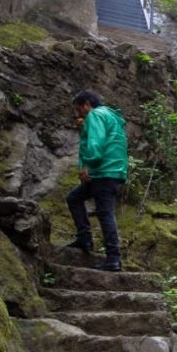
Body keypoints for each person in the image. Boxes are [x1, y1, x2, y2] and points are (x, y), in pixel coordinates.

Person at [65, 91, 128, 272]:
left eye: (79, 110)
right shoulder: (111, 117)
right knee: (74, 198)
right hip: (112, 171)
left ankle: (113, 258)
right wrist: (84, 130)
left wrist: (87, 167)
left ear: (86, 104)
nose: (79, 115)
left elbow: (96, 146)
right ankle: (84, 239)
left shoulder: (95, 115)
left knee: (105, 212)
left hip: (102, 172)